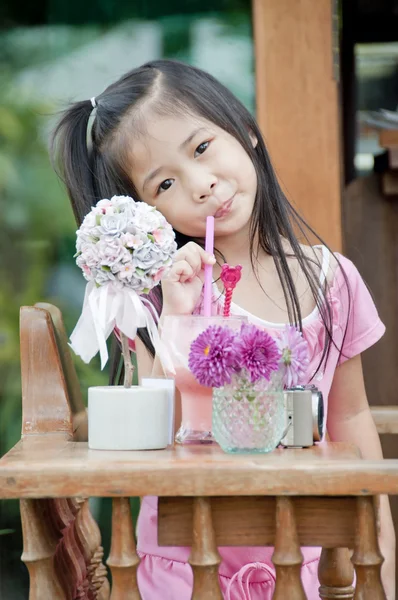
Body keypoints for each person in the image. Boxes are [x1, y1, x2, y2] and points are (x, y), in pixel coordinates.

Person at [51, 59, 395, 599]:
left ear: (246, 130)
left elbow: (349, 417)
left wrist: (384, 562)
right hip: (179, 573)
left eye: (202, 148)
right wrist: (179, 322)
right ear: (146, 210)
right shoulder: (151, 300)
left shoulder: (333, 279)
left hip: (308, 569)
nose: (201, 185)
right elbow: (152, 440)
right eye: (165, 182)